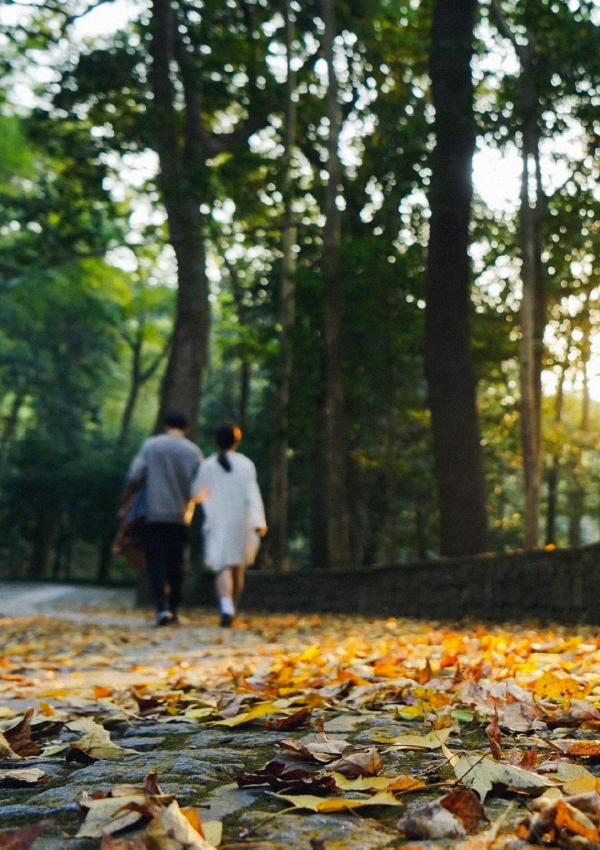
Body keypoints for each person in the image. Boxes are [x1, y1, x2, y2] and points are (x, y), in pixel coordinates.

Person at [126, 410, 202, 626]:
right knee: (176, 563)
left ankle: (160, 607)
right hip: (180, 516)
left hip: (154, 514)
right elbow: (199, 486)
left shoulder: (151, 446)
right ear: (186, 428)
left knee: (155, 561)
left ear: (165, 425)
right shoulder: (193, 451)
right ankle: (175, 609)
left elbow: (134, 474)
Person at [191, 423, 266, 627]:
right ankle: (232, 606)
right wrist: (260, 521)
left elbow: (197, 494)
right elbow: (253, 494)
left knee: (222, 565)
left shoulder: (208, 465)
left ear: (215, 441)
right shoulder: (246, 464)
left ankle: (226, 607)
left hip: (217, 521)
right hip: (243, 522)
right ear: (237, 441)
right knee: (237, 567)